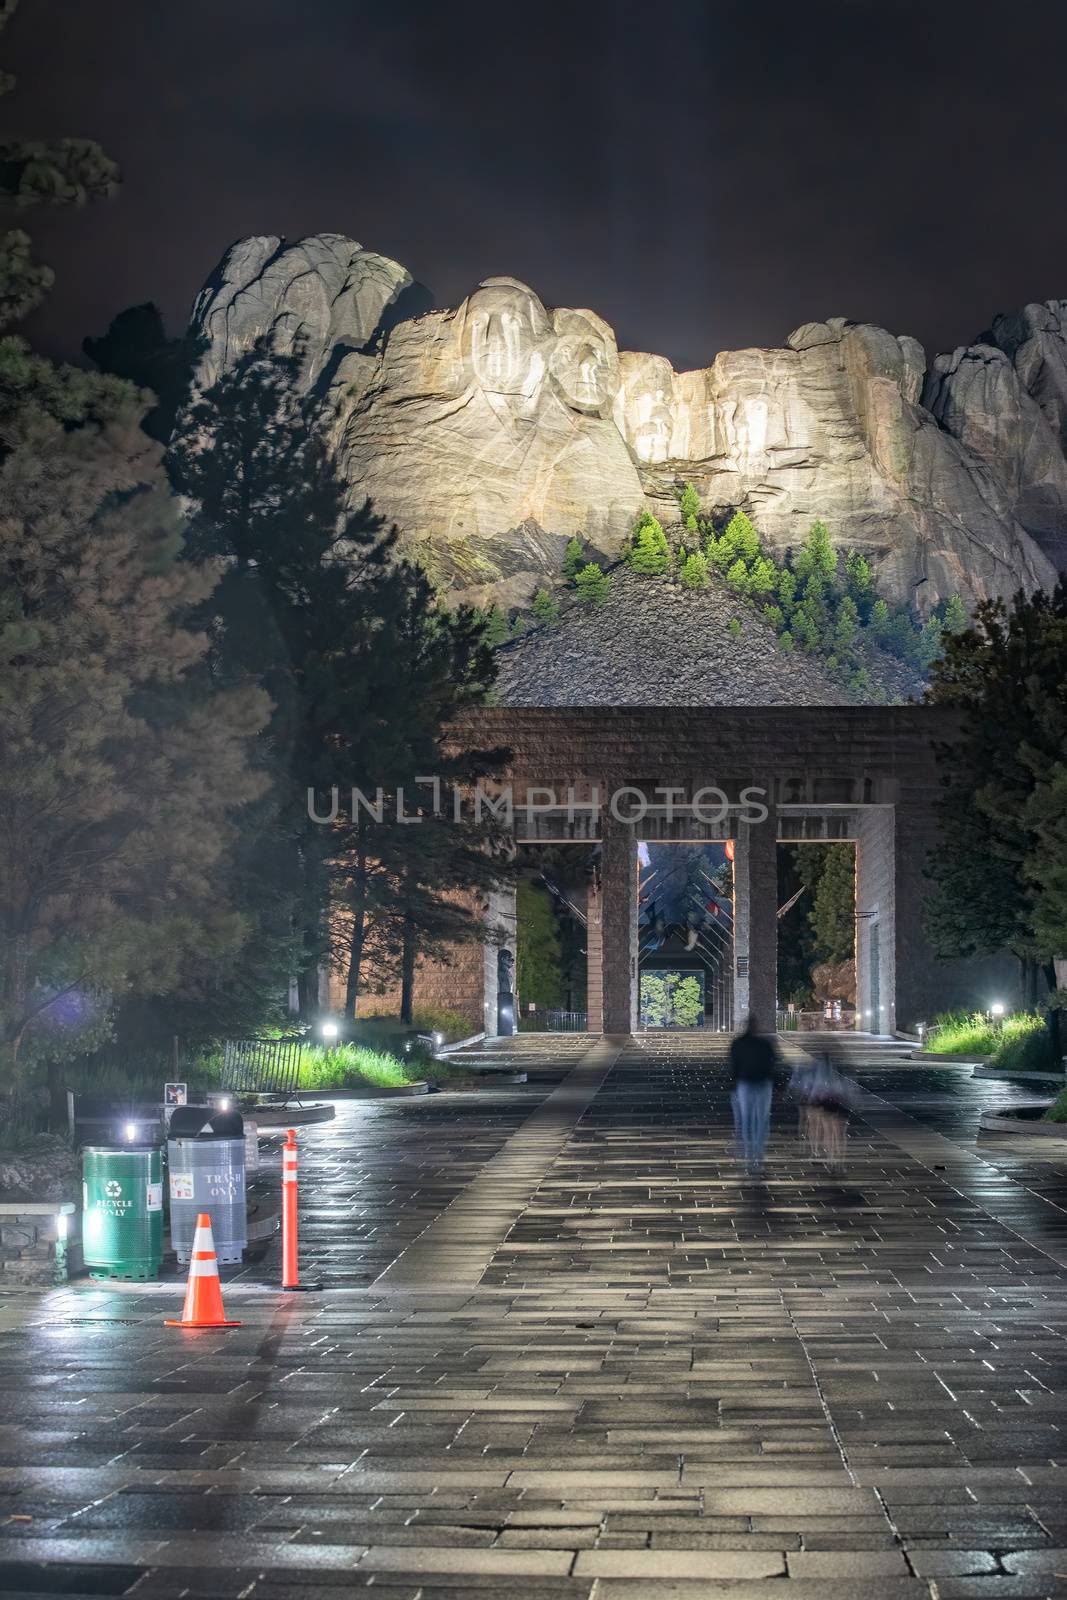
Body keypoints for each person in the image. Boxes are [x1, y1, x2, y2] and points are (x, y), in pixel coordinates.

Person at [729, 1014, 779, 1174]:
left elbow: (733, 1067)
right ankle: (758, 1154)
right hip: (763, 1084)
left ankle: (749, 1154)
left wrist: (732, 1085)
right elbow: (774, 1063)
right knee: (761, 1121)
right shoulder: (765, 1044)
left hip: (745, 1084)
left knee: (746, 1120)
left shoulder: (738, 1044)